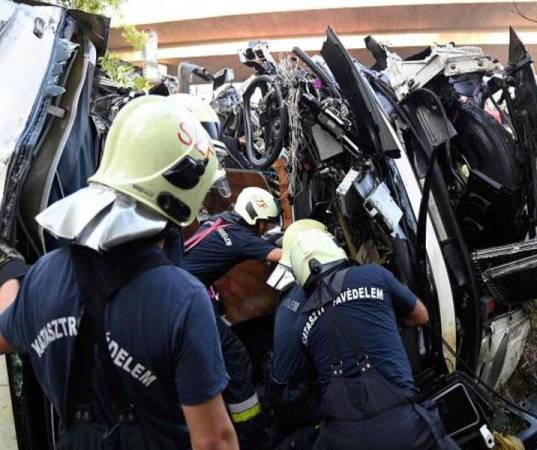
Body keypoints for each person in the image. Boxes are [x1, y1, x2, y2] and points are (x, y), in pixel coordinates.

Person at [0, 96, 238, 450]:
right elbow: (214, 442)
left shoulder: (43, 276)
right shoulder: (182, 299)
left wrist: (10, 271)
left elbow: (5, 334)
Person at [272, 223, 458, 450]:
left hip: (341, 439)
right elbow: (421, 316)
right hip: (405, 429)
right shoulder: (374, 275)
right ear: (333, 249)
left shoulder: (300, 322)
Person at [183, 186, 281, 448]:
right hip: (190, 301)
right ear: (255, 220)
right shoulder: (240, 238)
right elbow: (280, 257)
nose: (264, 228)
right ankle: (249, 426)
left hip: (182, 290)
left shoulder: (223, 220)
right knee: (235, 355)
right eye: (263, 224)